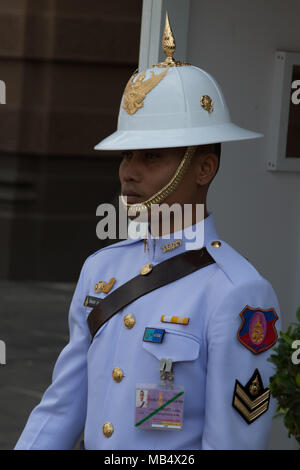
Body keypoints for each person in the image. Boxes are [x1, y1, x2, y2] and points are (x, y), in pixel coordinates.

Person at [15, 13, 281, 450]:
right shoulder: (102, 268)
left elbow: (232, 443)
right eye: (126, 156)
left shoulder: (237, 291)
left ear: (204, 168)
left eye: (151, 157)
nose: (129, 173)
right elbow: (62, 406)